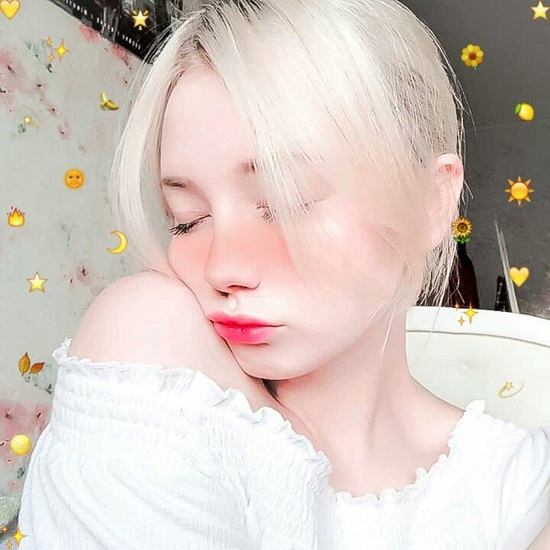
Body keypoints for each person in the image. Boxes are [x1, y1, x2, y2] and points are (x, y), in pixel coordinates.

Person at [18, 0, 549, 548]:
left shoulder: (516, 487)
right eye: (187, 219)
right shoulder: (151, 366)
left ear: (431, 203)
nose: (222, 267)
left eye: (283, 201)